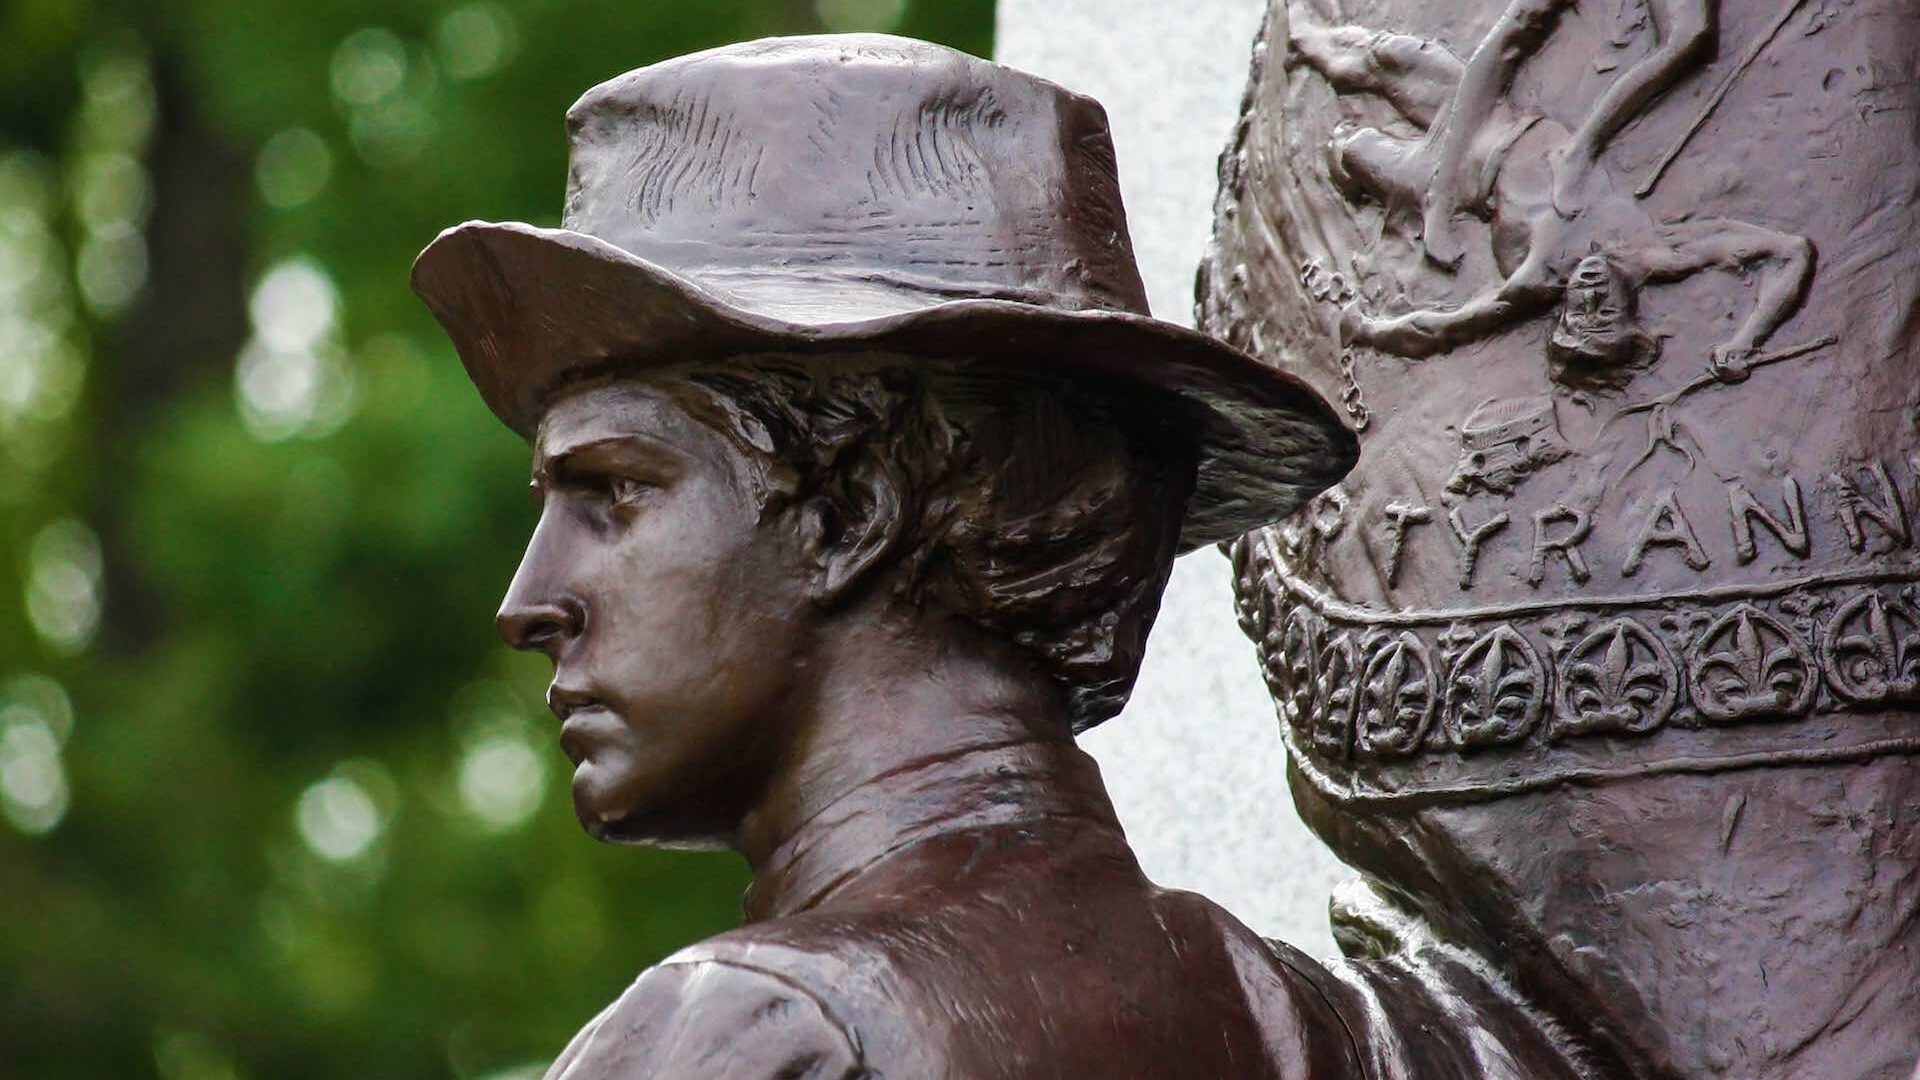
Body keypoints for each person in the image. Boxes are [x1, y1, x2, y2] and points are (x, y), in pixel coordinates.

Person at [411, 34, 1373, 1079]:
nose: (528, 603)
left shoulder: (751, 1035)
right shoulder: (1308, 1026)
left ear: (849, 510)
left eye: (614, 494)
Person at [1286, 0, 1812, 389]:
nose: (1589, 298)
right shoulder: (1655, 249)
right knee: (1386, 57)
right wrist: (1745, 341)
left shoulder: (1536, 282)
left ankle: (1332, 145)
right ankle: (1303, 36)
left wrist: (1368, 330)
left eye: (1578, 313)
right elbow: (1788, 252)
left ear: (1561, 314)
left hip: (1456, 176)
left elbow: (1440, 328)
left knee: (1350, 148)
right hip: (1501, 117)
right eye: (1602, 314)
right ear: (1632, 314)